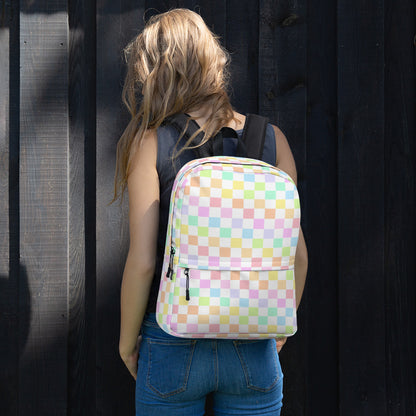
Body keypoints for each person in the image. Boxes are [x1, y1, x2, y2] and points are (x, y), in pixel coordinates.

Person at [114, 8, 308, 416]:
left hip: (171, 338)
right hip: (253, 342)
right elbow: (299, 257)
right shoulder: (273, 140)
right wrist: (280, 325)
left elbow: (144, 261)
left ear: (156, 73)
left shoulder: (151, 143)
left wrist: (127, 343)